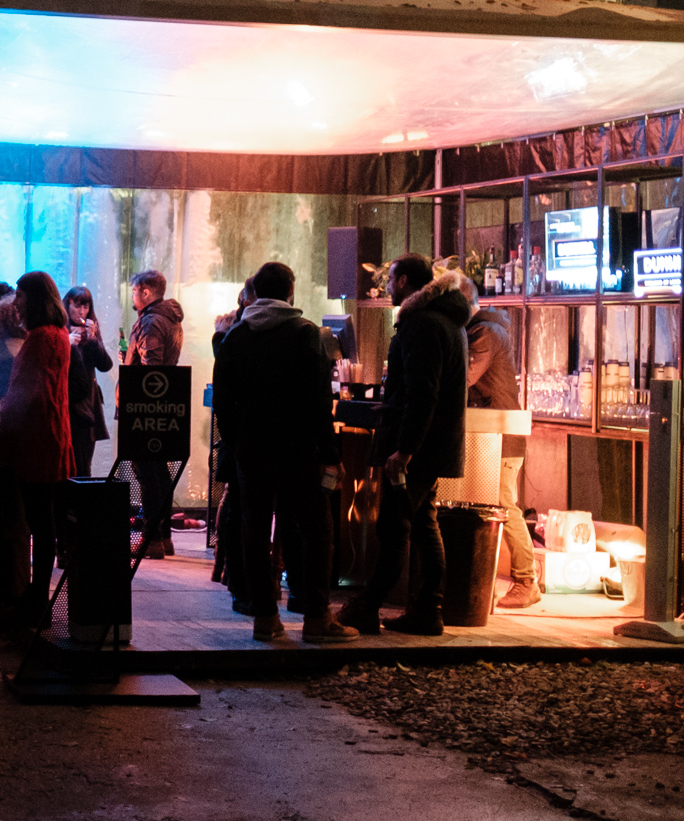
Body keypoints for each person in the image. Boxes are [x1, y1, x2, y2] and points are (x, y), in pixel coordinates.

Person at [213, 262, 345, 642]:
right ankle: (317, 618)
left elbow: (223, 399)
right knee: (316, 528)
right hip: (298, 449)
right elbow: (319, 402)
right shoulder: (306, 334)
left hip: (252, 451)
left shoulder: (237, 336)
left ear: (254, 292)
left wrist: (236, 441)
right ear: (291, 290)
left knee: (254, 530)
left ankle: (265, 618)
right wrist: (330, 455)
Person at [339, 256, 471, 636]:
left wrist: (405, 450)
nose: (386, 286)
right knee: (424, 523)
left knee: (394, 526)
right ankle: (429, 609)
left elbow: (421, 394)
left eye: (391, 279)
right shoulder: (449, 321)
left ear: (404, 281)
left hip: (417, 447)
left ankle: (368, 606)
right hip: (436, 444)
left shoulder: (421, 323)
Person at [0, 271, 75, 630]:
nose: (16, 303)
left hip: (36, 441)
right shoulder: (59, 334)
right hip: (53, 436)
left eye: (20, 296)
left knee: (38, 524)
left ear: (35, 298)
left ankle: (36, 601)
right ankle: (37, 598)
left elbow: (25, 392)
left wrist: (1, 423)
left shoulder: (41, 337)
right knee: (45, 525)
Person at [464, 280, 540, 609]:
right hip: (492, 435)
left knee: (504, 506)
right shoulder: (483, 330)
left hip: (500, 437)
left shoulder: (484, 333)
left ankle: (526, 581)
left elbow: (464, 376)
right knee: (499, 505)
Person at [125, 270, 185, 558]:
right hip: (163, 405)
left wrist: (133, 373)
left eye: (134, 290)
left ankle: (152, 539)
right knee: (160, 471)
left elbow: (152, 370)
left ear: (146, 292)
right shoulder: (171, 319)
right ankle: (164, 536)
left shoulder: (151, 321)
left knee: (147, 471)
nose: (133, 295)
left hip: (145, 406)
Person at [64, 285, 114, 477]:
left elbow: (105, 365)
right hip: (68, 401)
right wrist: (66, 342)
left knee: (84, 462)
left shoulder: (90, 332)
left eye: (86, 307)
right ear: (68, 305)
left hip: (87, 404)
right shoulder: (61, 330)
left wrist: (93, 339)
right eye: (77, 306)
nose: (82, 312)